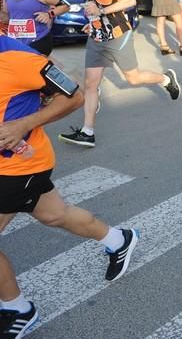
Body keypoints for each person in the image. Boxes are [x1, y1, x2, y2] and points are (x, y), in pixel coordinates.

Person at [0, 36, 139, 337]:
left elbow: (73, 95)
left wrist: (24, 124)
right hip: (14, 168)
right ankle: (118, 240)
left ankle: (17, 309)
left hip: (17, 166)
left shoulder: (15, 58)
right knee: (55, 214)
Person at [58, 0, 180, 148]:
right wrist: (92, 22)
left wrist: (102, 11)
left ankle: (165, 79)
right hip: (97, 36)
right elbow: (95, 4)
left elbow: (130, 0)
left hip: (117, 35)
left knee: (132, 78)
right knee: (90, 84)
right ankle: (88, 132)